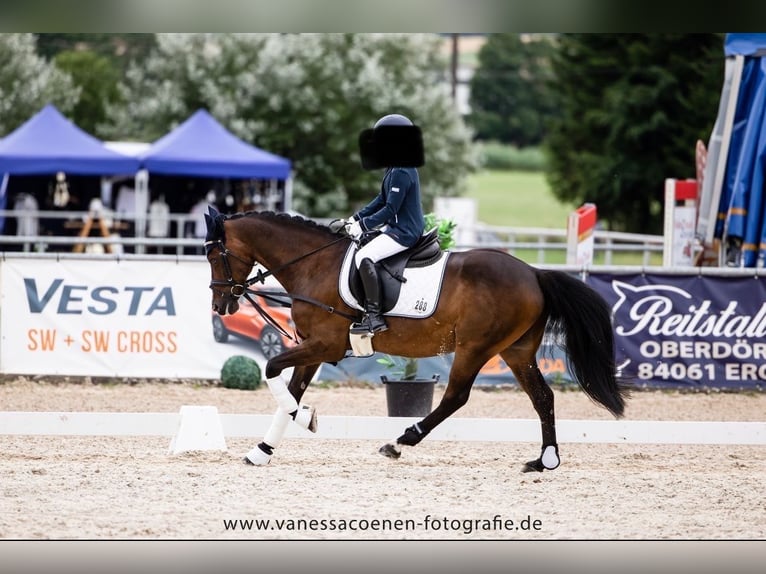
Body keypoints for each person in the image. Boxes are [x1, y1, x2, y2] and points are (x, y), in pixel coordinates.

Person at [340, 113, 426, 335]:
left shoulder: (402, 171)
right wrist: (356, 218)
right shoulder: (395, 166)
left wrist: (364, 225)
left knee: (363, 257)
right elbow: (380, 200)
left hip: (404, 232)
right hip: (396, 228)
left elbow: (391, 209)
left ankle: (374, 315)